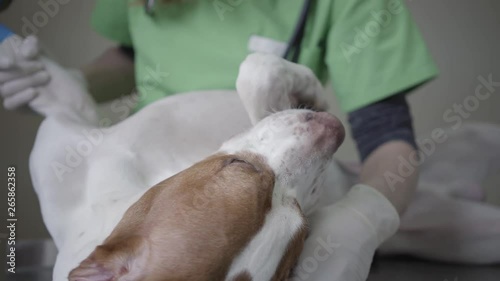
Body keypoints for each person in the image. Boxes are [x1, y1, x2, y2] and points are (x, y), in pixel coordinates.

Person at [0, 0, 438, 280]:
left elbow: (387, 133)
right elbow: (133, 51)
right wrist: (78, 80)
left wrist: (364, 218)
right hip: (273, 173)